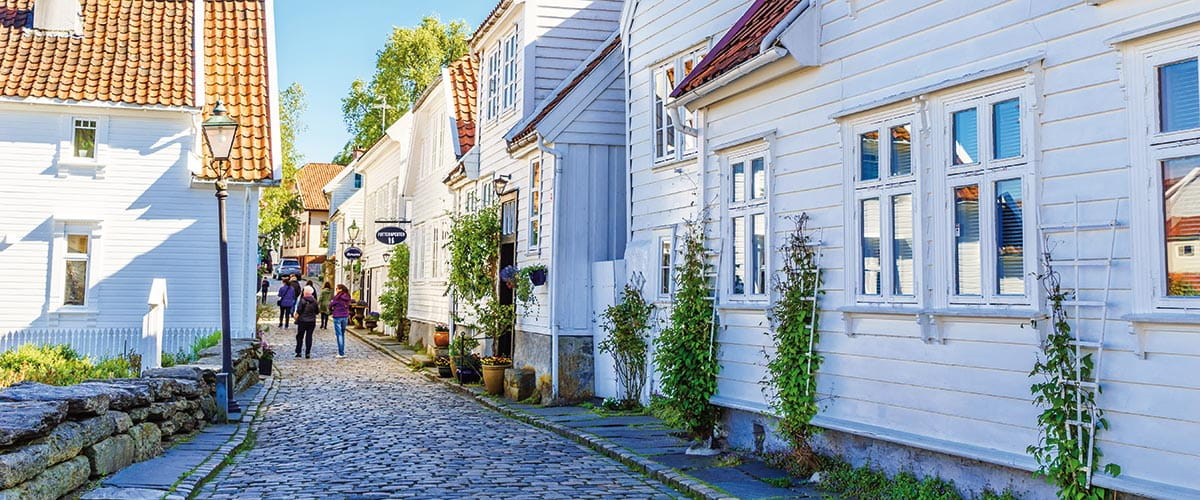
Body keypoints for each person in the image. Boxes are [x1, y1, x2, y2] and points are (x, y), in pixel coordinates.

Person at [293, 286, 319, 358]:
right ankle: (308, 353)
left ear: (304, 292)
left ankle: (298, 352)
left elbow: (299, 310)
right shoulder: (314, 301)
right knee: (309, 336)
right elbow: (317, 311)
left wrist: (296, 317)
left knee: (300, 336)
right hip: (311, 321)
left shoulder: (302, 300)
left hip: (302, 321)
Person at [329, 284, 352, 359]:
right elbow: (348, 305)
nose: (336, 290)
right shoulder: (347, 296)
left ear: (340, 289)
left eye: (337, 289)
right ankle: (342, 351)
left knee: (339, 335)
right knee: (342, 334)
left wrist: (332, 308)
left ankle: (341, 353)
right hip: (345, 316)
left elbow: (330, 305)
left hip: (337, 316)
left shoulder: (337, 297)